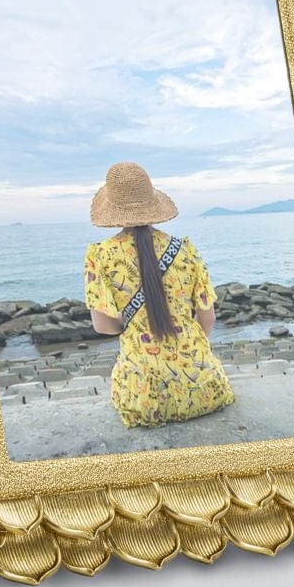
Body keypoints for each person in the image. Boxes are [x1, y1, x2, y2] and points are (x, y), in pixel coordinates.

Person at [83, 161, 236, 428]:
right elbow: (207, 317)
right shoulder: (184, 248)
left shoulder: (100, 256)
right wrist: (188, 351)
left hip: (143, 399)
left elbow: (103, 326)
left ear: (112, 209)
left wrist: (133, 325)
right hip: (204, 388)